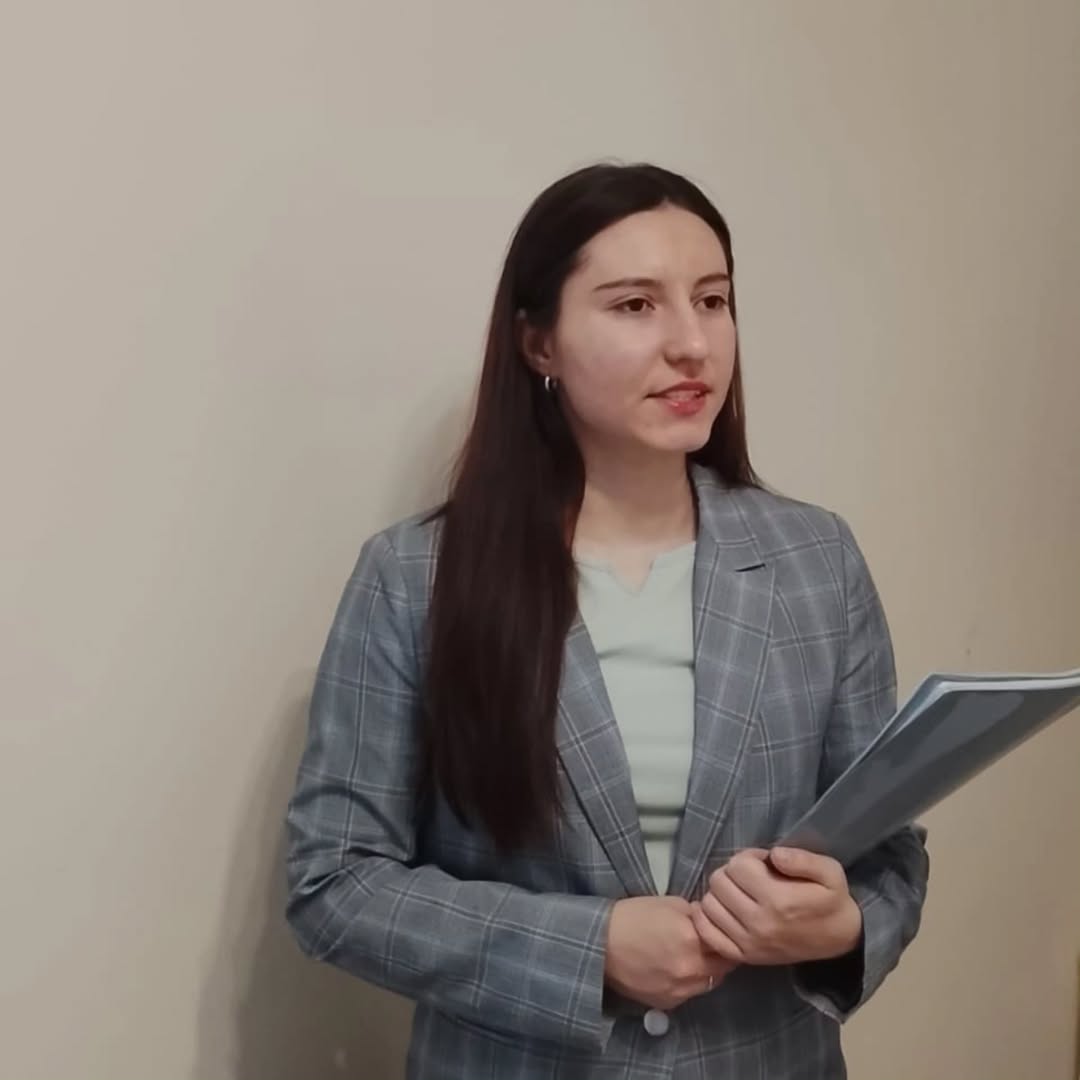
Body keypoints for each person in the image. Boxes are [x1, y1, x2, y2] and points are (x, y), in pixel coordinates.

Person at [284, 162, 929, 1080]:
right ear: (538, 342)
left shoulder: (816, 560)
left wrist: (844, 924)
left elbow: (889, 846)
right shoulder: (414, 577)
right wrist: (586, 951)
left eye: (713, 301)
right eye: (635, 306)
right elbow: (335, 881)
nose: (692, 344)